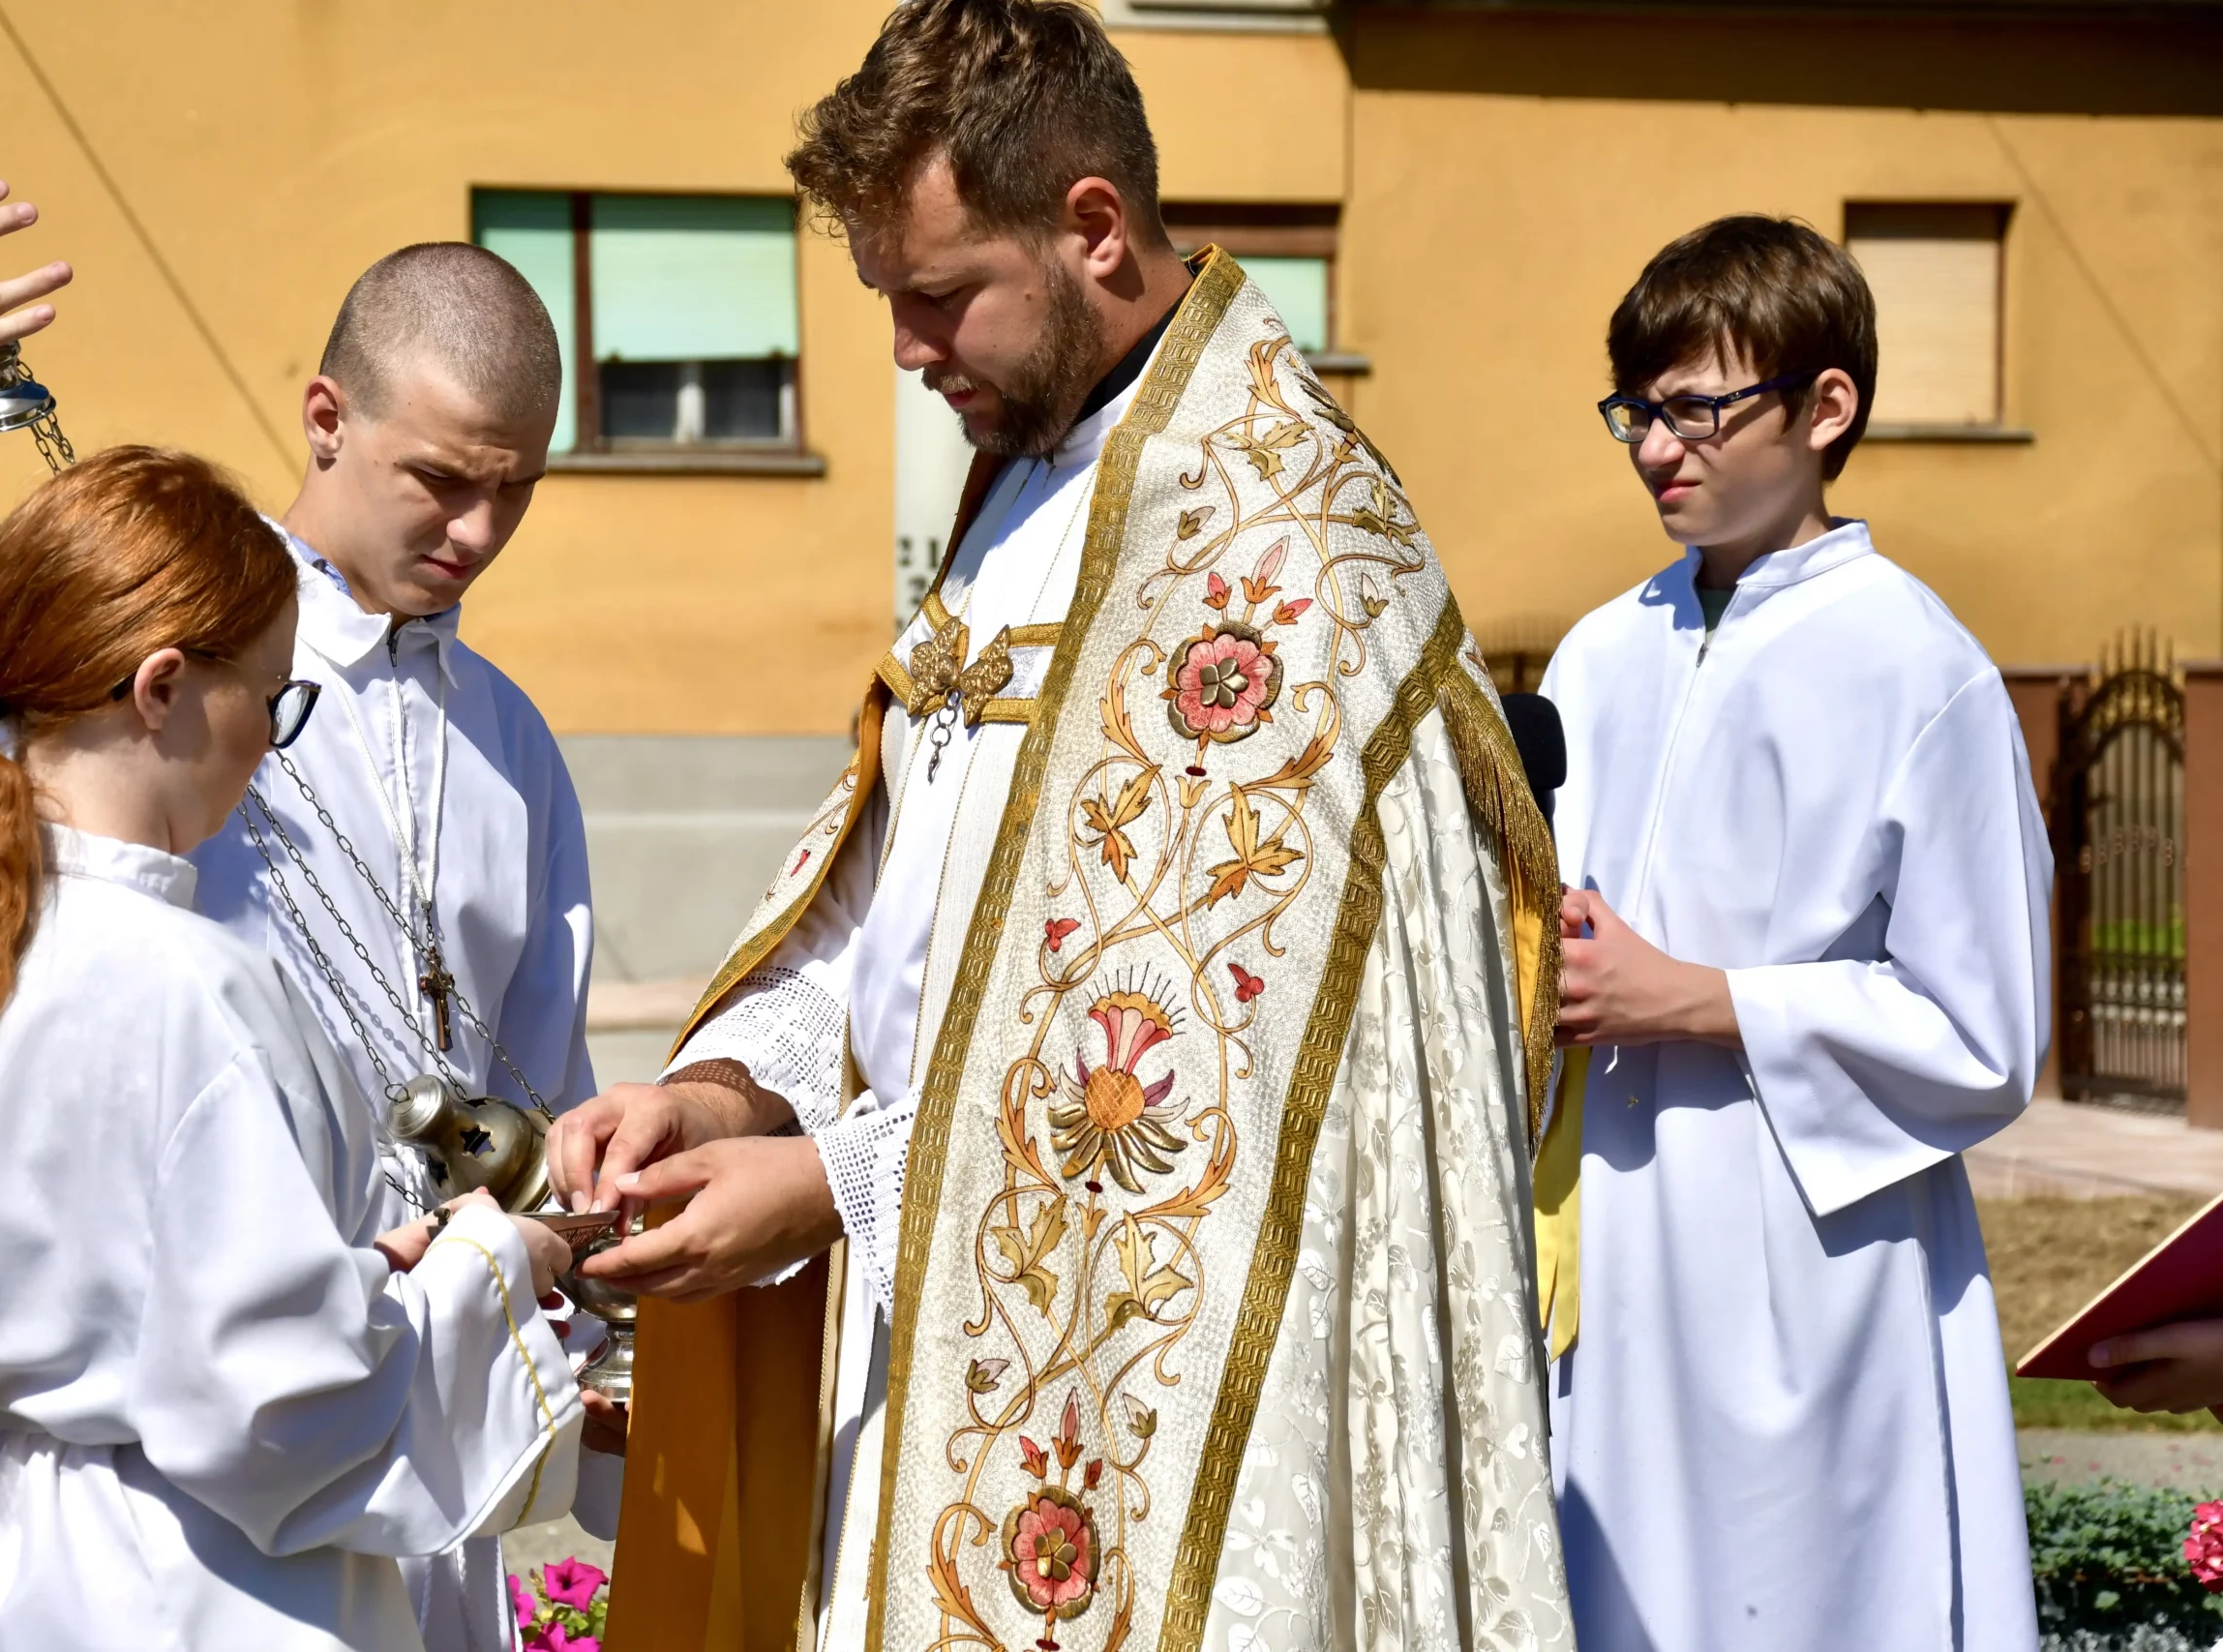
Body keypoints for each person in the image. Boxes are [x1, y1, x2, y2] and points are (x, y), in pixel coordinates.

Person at [546, 3, 1574, 1647]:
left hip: (1155, 1411)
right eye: (888, 300)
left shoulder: (1288, 555)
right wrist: (720, 1089)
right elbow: (893, 909)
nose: (905, 350)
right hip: (924, 1346)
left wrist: (833, 1187)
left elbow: (1191, 1107)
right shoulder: (1025, 484)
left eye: (939, 294)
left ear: (1092, 227)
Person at [0, 183, 607, 1648]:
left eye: (517, 490)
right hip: (199, 1482)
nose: (477, 531)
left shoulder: (516, 745)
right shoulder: (150, 670)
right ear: (327, 418)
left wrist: (553, 1274)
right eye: (440, 479)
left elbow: (536, 1091)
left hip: (396, 1411)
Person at [1536, 216, 2053, 1650]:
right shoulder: (1598, 651)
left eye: (1699, 409)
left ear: (1827, 407)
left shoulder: (1917, 664)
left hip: (1809, 1244)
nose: (1658, 449)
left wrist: (1698, 998)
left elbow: (1985, 1031)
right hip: (1606, 1232)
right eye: (1638, 412)